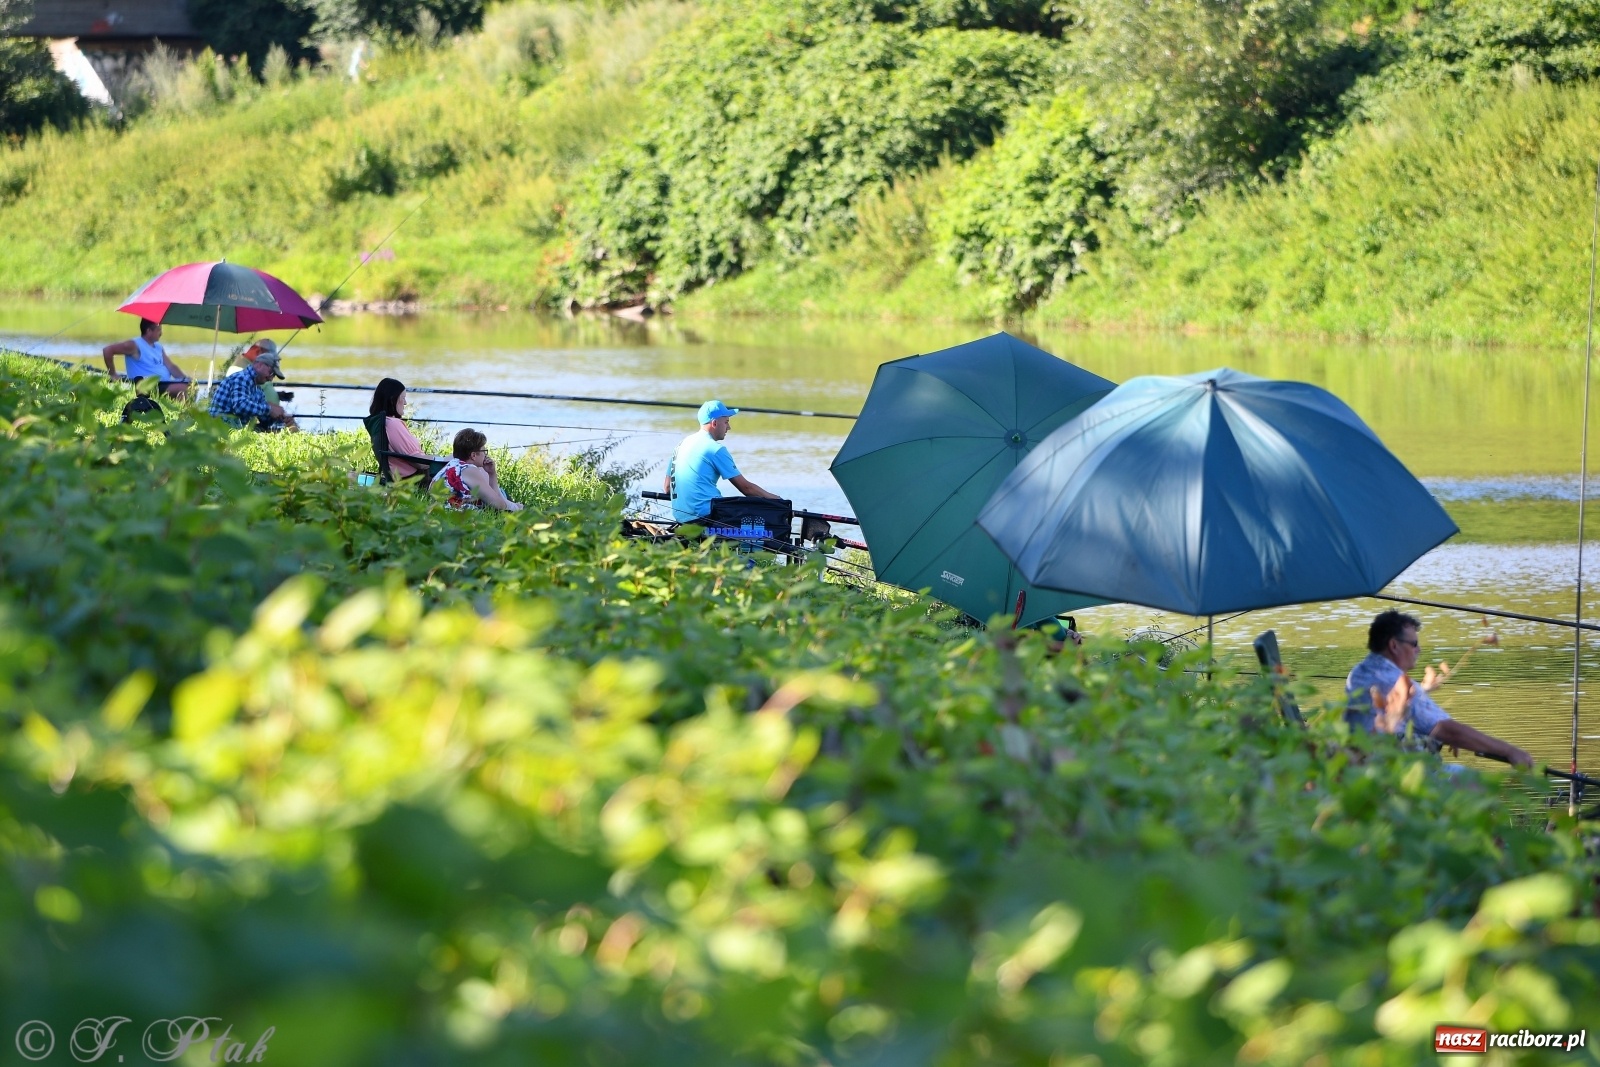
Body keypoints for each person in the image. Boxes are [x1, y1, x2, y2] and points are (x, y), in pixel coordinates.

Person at [1345, 610, 1533, 767]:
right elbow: (1446, 729)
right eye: (1414, 644)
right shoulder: (1399, 681)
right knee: (1469, 779)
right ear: (1394, 645)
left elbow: (1386, 707)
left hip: (1357, 765)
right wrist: (1510, 751)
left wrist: (1423, 689)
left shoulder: (1358, 672)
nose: (1419, 650)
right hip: (1391, 771)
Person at [666, 400, 779, 522]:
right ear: (714, 423)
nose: (729, 427)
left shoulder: (681, 444)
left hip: (681, 518)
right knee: (755, 520)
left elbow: (667, 487)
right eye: (726, 422)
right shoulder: (714, 449)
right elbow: (747, 489)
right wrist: (778, 501)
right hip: (706, 517)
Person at [209, 343, 297, 431]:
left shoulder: (257, 389)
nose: (270, 379)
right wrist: (270, 409)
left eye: (273, 376)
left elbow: (263, 418)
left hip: (233, 428)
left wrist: (282, 418)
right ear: (259, 365)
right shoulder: (242, 378)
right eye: (271, 373)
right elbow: (240, 406)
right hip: (219, 427)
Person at [438, 428, 523, 512]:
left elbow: (495, 499)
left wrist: (492, 474)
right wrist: (517, 507)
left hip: (442, 512)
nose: (485, 455)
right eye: (484, 451)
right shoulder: (468, 469)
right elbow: (498, 504)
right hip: (458, 516)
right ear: (473, 455)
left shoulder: (452, 465)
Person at [369, 377, 437, 479]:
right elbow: (419, 462)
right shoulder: (393, 425)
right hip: (416, 481)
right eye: (403, 397)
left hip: (402, 480)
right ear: (393, 400)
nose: (405, 403)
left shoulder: (381, 422)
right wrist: (442, 460)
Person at [102, 319, 189, 398]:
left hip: (163, 384)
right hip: (147, 386)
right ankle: (184, 414)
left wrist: (185, 379)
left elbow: (171, 367)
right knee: (182, 389)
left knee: (191, 387)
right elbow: (107, 350)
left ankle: (184, 413)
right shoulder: (134, 345)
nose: (161, 333)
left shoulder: (158, 347)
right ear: (149, 331)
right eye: (158, 330)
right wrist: (113, 374)